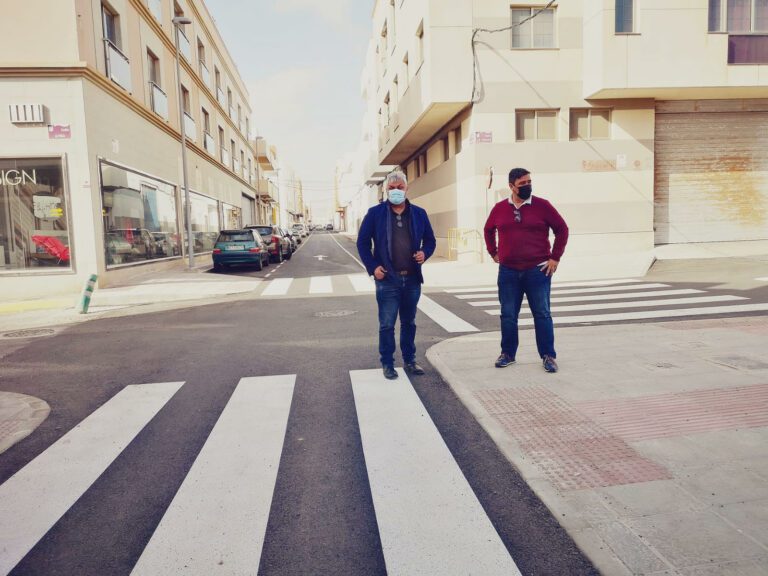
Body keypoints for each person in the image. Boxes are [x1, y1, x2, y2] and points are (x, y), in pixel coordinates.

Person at [484, 168, 569, 373]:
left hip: (537, 271)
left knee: (542, 314)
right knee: (508, 315)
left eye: (529, 182)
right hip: (508, 272)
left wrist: (555, 258)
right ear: (511, 186)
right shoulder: (499, 208)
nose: (527, 186)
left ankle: (548, 356)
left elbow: (562, 229)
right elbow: (488, 229)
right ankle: (508, 354)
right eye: (522, 184)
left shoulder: (543, 206)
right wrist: (493, 253)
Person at [357, 171, 436, 380]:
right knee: (387, 324)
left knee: (409, 322)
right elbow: (362, 243)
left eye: (399, 187)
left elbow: (430, 241)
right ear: (385, 191)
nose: (396, 191)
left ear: (406, 188)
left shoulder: (419, 213)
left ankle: (410, 360)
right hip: (387, 280)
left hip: (411, 279)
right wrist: (373, 267)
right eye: (391, 189)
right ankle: (388, 363)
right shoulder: (375, 214)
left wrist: (424, 253)